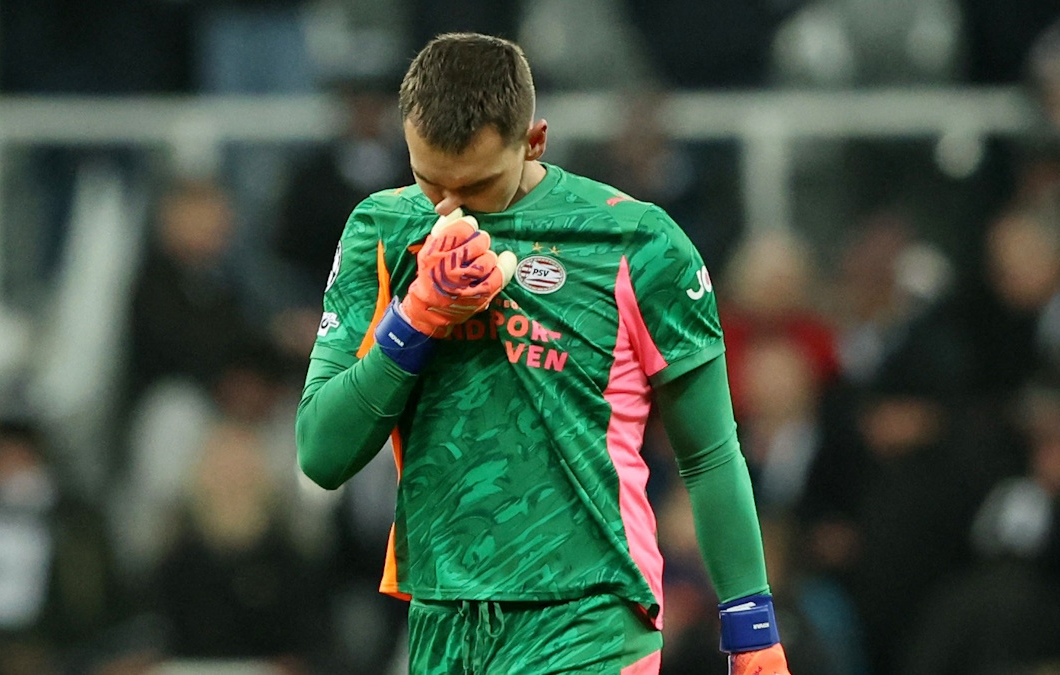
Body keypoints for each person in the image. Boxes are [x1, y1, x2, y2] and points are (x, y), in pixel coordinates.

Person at [296, 33, 790, 674]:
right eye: (428, 181)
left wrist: (753, 631)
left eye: (476, 186)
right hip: (443, 619)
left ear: (534, 141)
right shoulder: (383, 231)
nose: (450, 211)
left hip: (589, 616)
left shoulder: (637, 243)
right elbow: (322, 453)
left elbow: (709, 452)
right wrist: (414, 321)